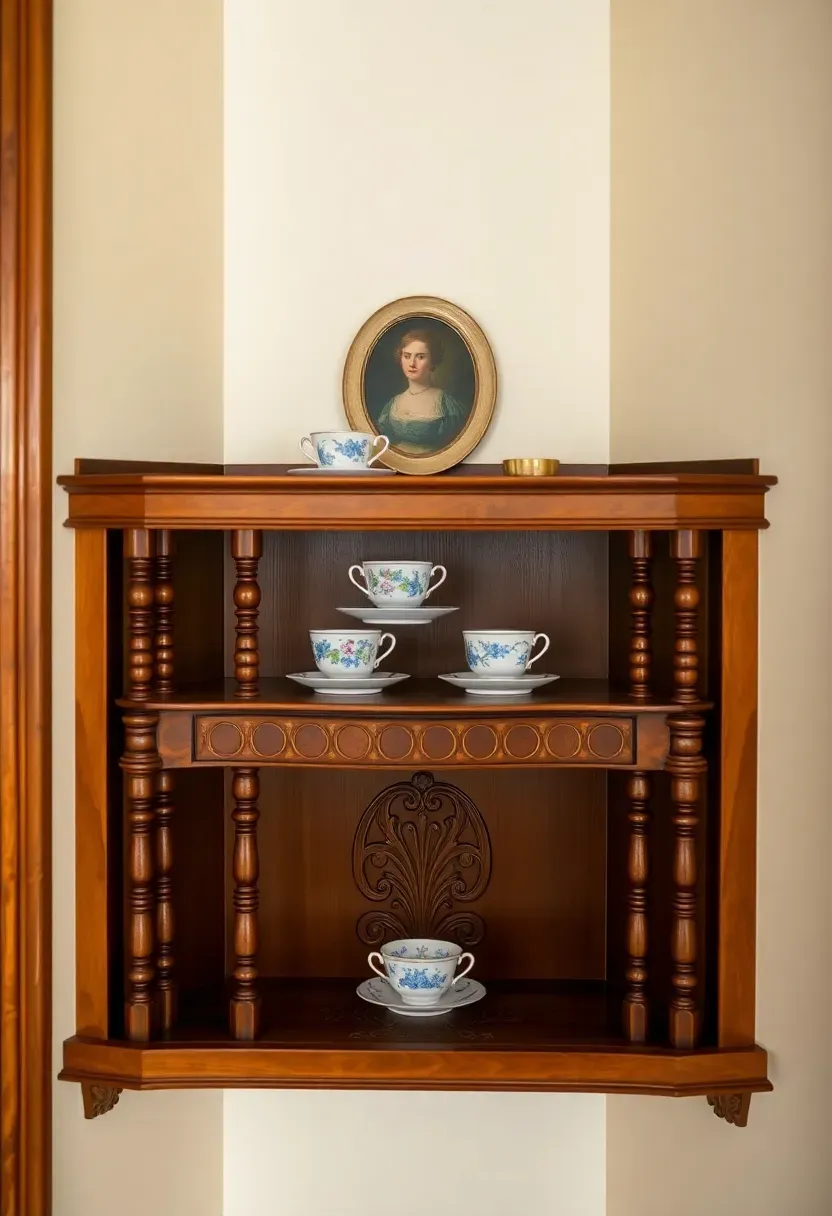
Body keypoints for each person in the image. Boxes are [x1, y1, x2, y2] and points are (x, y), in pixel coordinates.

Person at [375, 328, 468, 454]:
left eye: (420, 357)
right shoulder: (393, 404)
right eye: (407, 356)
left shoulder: (447, 405)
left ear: (433, 361)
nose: (412, 363)